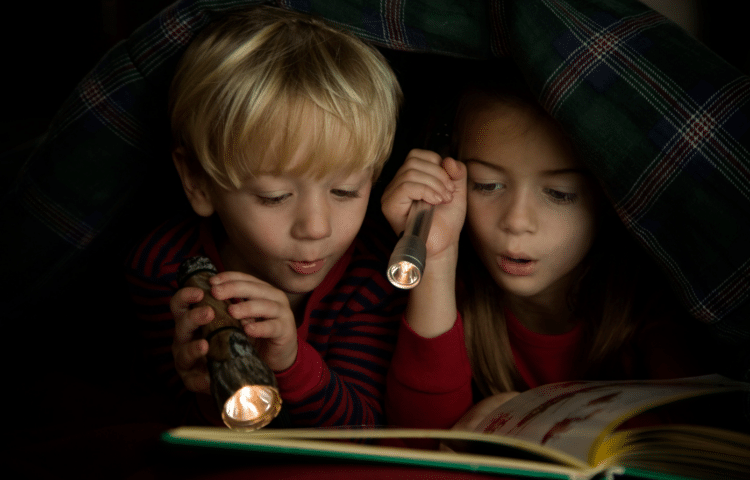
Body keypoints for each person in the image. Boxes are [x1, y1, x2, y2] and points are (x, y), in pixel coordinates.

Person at [381, 62, 713, 433]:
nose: (518, 220)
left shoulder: (648, 307)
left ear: (610, 200)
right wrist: (436, 261)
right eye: (487, 185)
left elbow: (697, 437)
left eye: (559, 193)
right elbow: (418, 445)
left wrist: (545, 414)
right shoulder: (451, 299)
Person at [124, 5, 405, 428]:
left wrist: (292, 364)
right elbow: (177, 437)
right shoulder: (163, 267)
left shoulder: (373, 274)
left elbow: (366, 435)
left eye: (345, 191)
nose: (316, 227)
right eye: (275, 197)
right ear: (198, 182)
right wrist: (204, 388)